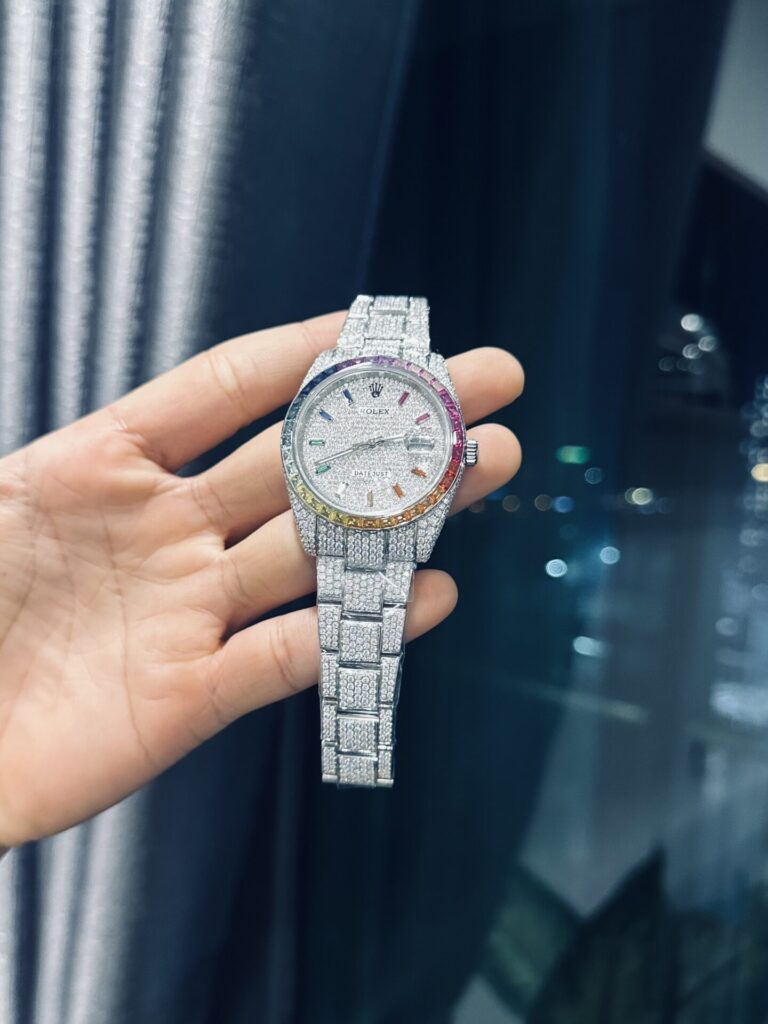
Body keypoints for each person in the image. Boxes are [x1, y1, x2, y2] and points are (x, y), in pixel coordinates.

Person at [0, 311, 523, 853]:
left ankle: (358, 760)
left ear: (460, 452)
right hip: (340, 517)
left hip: (387, 521)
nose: (369, 448)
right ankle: (355, 762)